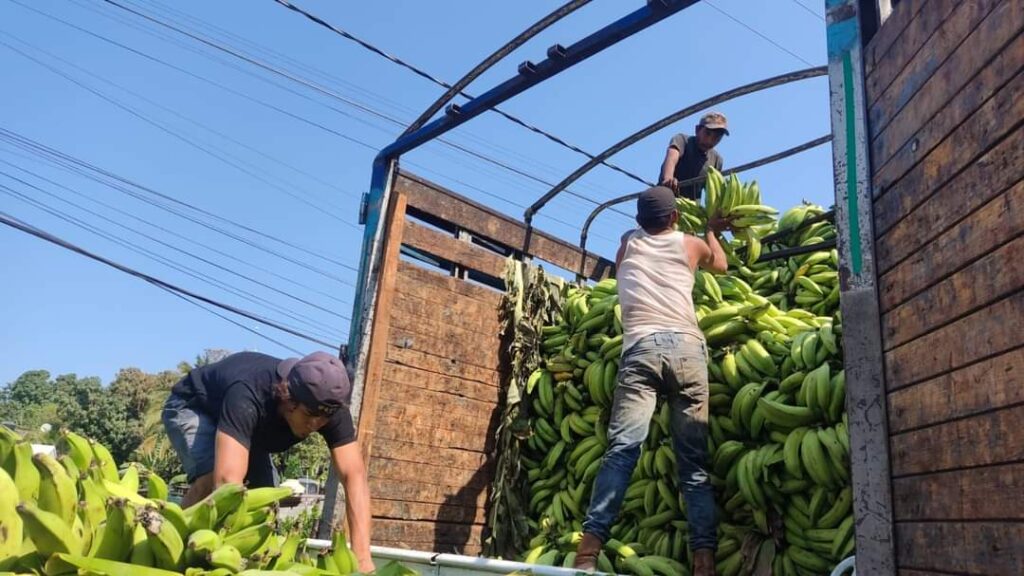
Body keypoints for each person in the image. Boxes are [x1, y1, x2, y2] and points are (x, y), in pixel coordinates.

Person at [573, 186, 729, 575]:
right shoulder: (691, 245)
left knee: (623, 449)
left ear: (638, 222)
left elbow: (630, 246)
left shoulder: (628, 244)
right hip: (688, 350)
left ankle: (588, 551)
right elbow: (722, 265)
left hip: (641, 348)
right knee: (692, 464)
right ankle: (704, 561)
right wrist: (712, 230)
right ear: (675, 218)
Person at [162, 351, 374, 572]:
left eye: (324, 419)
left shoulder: (327, 406)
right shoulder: (249, 392)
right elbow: (227, 483)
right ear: (288, 398)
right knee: (213, 477)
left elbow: (354, 475)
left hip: (248, 430)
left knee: (265, 508)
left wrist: (363, 559)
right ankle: (170, 549)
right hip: (195, 406)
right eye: (309, 415)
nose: (316, 424)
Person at [659, 112, 729, 200]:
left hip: (690, 209)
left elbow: (714, 190)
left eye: (717, 137)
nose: (710, 140)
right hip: (665, 199)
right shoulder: (683, 141)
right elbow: (672, 157)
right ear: (697, 130)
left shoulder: (717, 160)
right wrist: (668, 179)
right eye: (708, 133)